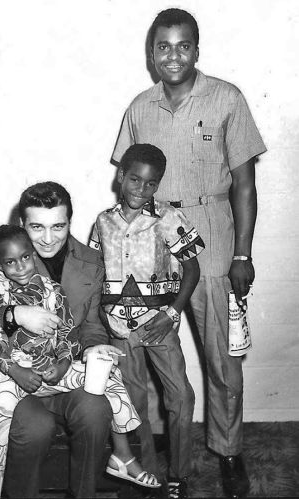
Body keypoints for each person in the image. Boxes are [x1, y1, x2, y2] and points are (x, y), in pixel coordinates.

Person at [110, 9, 267, 498]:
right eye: (163, 46)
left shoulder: (227, 98)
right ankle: (152, 453)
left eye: (183, 46)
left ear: (197, 50)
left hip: (214, 237)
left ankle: (229, 451)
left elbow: (244, 182)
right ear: (151, 53)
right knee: (150, 352)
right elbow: (129, 184)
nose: (172, 55)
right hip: (152, 244)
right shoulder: (139, 107)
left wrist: (242, 253)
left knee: (222, 359)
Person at [0, 225, 158, 498]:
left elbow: (68, 332)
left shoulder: (53, 290)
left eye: (25, 257)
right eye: (10, 262)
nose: (20, 267)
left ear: (33, 254)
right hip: (9, 372)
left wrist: (65, 363)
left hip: (50, 368)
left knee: (107, 372)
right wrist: (15, 370)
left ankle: (122, 455)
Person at [0, 182, 123, 498]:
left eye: (58, 226)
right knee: (36, 428)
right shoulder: (0, 256)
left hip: (62, 370)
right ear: (22, 224)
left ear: (70, 222)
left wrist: (93, 348)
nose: (48, 238)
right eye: (37, 227)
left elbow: (90, 326)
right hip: (8, 375)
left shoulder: (91, 260)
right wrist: (14, 314)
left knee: (95, 409)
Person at [91, 143, 205, 498]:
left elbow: (192, 268)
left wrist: (171, 313)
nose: (142, 189)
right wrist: (100, 318)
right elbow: (96, 274)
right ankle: (148, 473)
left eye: (151, 183)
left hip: (158, 325)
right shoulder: (103, 221)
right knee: (132, 402)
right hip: (119, 330)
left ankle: (179, 473)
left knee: (181, 397)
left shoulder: (169, 218)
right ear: (121, 176)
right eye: (135, 180)